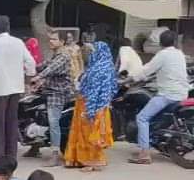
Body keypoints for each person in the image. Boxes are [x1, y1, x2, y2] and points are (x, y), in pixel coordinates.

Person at [129, 30, 189, 164]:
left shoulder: (162, 55)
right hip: (182, 93)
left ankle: (144, 154)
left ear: (160, 43)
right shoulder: (179, 54)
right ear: (174, 42)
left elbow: (147, 69)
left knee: (142, 117)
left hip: (168, 94)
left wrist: (131, 78)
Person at [0, 16, 37, 161]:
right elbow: (30, 62)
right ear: (8, 27)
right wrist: (28, 79)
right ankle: (11, 157)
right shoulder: (18, 42)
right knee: (11, 122)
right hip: (16, 89)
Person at [64, 41, 119, 171]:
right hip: (99, 106)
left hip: (90, 105)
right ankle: (84, 160)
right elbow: (113, 89)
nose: (89, 54)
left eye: (92, 52)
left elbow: (94, 92)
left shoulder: (97, 70)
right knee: (90, 133)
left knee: (88, 134)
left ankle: (91, 162)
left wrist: (90, 110)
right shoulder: (107, 67)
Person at [29, 31, 75, 165]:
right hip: (48, 91)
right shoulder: (55, 55)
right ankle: (34, 147)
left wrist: (38, 77)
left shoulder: (63, 56)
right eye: (50, 39)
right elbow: (43, 65)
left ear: (62, 42)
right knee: (33, 114)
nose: (51, 41)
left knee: (53, 123)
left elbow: (50, 69)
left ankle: (55, 155)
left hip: (57, 94)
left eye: (54, 39)